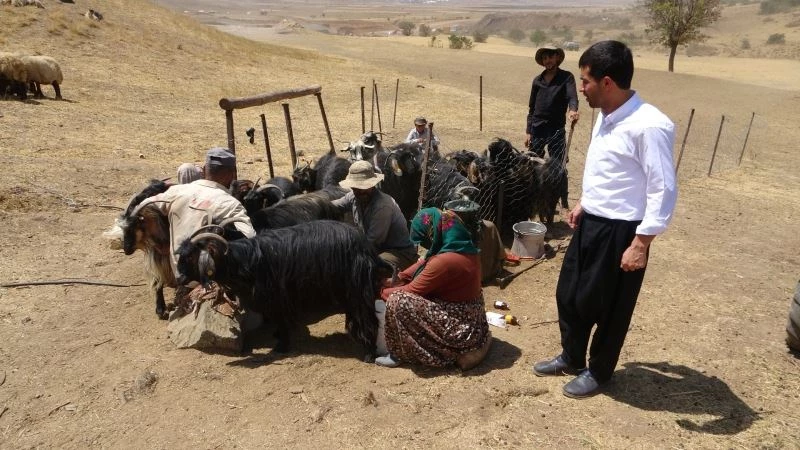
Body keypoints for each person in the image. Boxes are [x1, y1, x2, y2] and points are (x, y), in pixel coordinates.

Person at [532, 40, 678, 399]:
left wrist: (641, 243)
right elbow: (610, 172)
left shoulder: (649, 125)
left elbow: (663, 188)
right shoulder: (605, 116)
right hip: (592, 223)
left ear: (607, 82)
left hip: (624, 231)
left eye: (585, 81)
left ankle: (598, 371)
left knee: (610, 308)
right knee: (570, 294)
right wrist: (585, 201)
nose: (580, 88)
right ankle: (571, 355)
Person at [375, 207, 492, 370]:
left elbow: (411, 291)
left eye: (426, 239)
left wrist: (380, 292)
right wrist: (399, 278)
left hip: (460, 329)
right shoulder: (461, 246)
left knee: (398, 301)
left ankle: (400, 353)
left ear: (433, 233)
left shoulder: (445, 261)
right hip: (471, 319)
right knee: (399, 294)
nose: (426, 245)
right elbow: (422, 264)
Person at [138, 147, 256, 277]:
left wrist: (160, 244)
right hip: (208, 276)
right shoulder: (230, 204)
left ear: (204, 169)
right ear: (233, 174)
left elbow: (141, 208)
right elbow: (251, 240)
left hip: (180, 272)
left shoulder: (176, 192)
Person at [332, 160, 418, 271]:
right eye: (356, 188)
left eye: (365, 187)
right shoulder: (353, 197)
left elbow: (372, 242)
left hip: (398, 252)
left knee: (369, 269)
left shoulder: (382, 205)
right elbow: (332, 206)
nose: (361, 191)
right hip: (375, 249)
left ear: (372, 185)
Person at [525, 45, 579, 210]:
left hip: (556, 128)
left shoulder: (566, 78)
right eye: (544, 58)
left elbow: (572, 97)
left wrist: (573, 110)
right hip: (537, 128)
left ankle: (561, 199)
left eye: (550, 57)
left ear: (557, 58)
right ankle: (535, 199)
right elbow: (532, 108)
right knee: (534, 164)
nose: (547, 60)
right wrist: (528, 131)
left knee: (559, 166)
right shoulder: (537, 80)